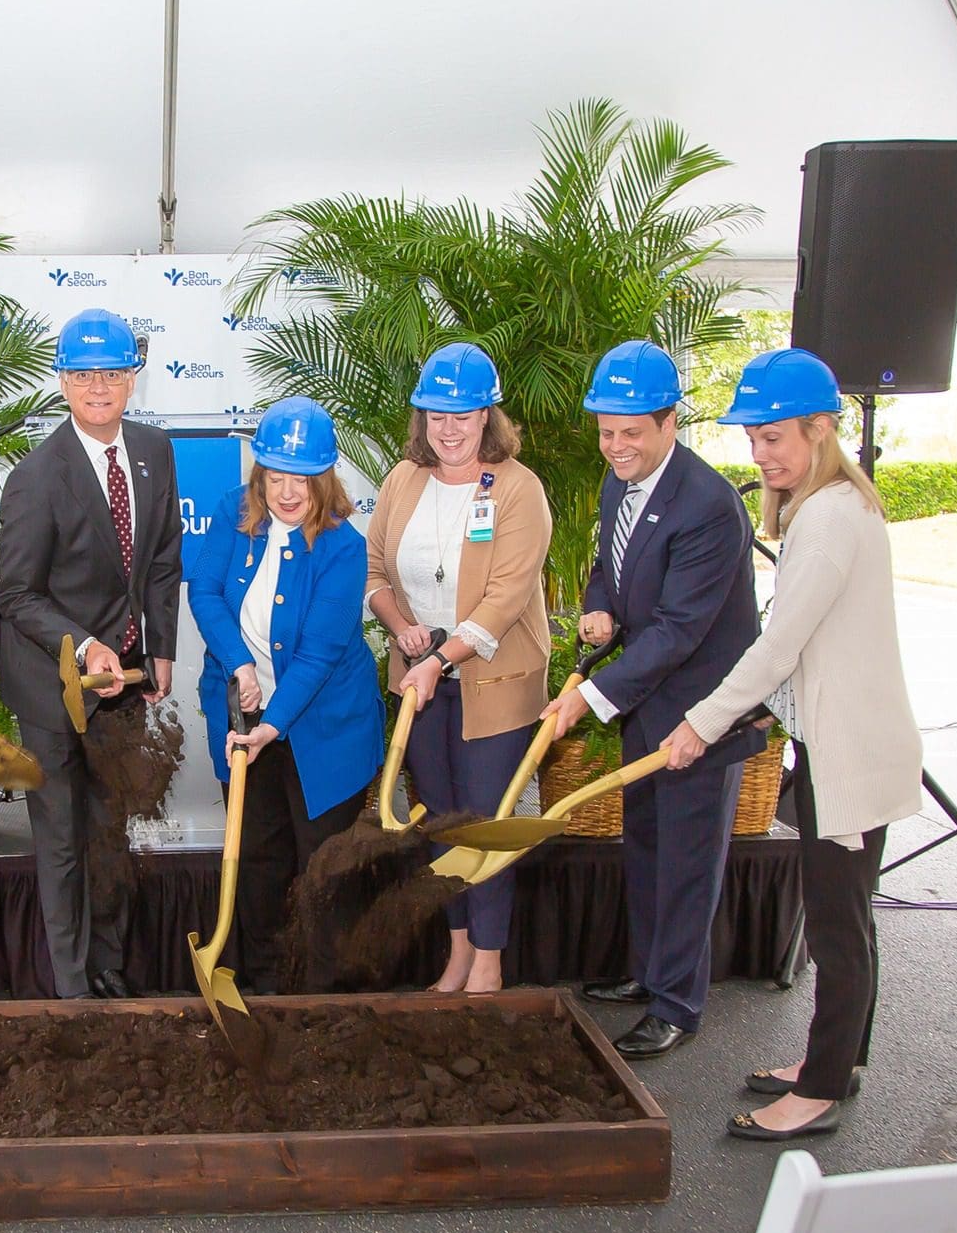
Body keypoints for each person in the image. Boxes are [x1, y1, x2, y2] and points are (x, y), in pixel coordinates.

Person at [663, 348, 922, 1141]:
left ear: (821, 428)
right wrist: (763, 715)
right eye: (754, 439)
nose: (760, 454)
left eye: (774, 437)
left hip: (851, 754)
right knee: (845, 919)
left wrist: (699, 722)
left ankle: (817, 1090)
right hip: (843, 743)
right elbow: (812, 650)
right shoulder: (831, 507)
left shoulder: (831, 518)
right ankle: (832, 1061)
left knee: (840, 930)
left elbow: (779, 647)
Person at [540, 339, 762, 1059]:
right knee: (647, 845)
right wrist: (600, 606)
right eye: (606, 431)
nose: (616, 446)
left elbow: (679, 631)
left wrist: (589, 696)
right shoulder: (620, 483)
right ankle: (646, 972)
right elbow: (610, 561)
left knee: (688, 858)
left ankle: (677, 1003)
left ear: (670, 423)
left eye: (631, 431)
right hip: (648, 704)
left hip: (701, 710)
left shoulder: (709, 505)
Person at [0, 308, 181, 1000]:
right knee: (64, 839)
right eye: (83, 374)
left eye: (111, 373)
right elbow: (16, 594)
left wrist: (158, 645)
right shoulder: (37, 476)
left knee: (110, 831)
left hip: (123, 685)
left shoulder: (155, 451)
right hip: (51, 684)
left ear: (132, 378)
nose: (98, 386)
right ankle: (71, 986)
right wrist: (88, 643)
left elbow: (163, 556)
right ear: (64, 382)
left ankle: (108, 966)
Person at [365, 342, 551, 994]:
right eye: (436, 415)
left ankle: (491, 966)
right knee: (442, 821)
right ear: (422, 419)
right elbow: (376, 573)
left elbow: (503, 600)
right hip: (420, 686)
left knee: (485, 825)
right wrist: (401, 625)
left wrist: (440, 658)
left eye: (463, 415)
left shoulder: (520, 490)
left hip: (490, 688)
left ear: (487, 416)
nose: (449, 428)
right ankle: (459, 951)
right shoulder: (401, 480)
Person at [188, 397, 384, 993]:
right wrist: (239, 662)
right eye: (276, 477)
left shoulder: (344, 547)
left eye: (301, 479)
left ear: (324, 479)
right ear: (259, 473)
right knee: (257, 862)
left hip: (325, 730)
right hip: (243, 714)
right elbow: (205, 592)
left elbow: (321, 654)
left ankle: (325, 998)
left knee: (323, 870)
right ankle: (268, 990)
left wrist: (272, 724)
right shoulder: (233, 512)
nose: (287, 493)